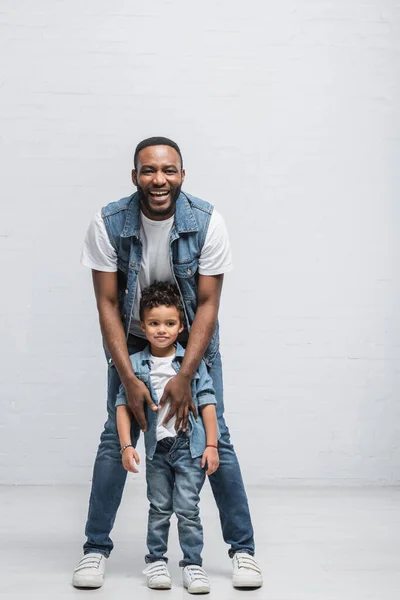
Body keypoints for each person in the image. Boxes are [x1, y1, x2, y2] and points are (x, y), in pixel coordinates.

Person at [73, 136, 263, 589]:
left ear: (182, 174)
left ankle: (244, 552)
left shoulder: (207, 221)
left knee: (214, 442)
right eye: (149, 170)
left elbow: (210, 305)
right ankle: (95, 550)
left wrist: (184, 374)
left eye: (169, 170)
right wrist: (127, 373)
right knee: (113, 441)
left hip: (192, 343)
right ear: (135, 175)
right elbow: (106, 303)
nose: (159, 179)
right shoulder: (108, 222)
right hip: (132, 345)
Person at [116, 281, 219, 593]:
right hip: (157, 449)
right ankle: (156, 561)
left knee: (188, 508)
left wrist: (212, 445)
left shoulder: (191, 363)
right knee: (159, 507)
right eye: (154, 323)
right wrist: (126, 445)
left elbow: (208, 403)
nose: (162, 330)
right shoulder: (134, 365)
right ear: (143, 326)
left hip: (189, 447)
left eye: (170, 323)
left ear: (181, 325)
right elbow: (123, 406)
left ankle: (192, 566)